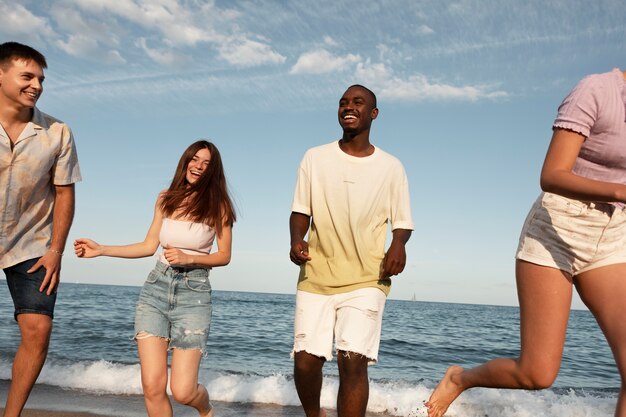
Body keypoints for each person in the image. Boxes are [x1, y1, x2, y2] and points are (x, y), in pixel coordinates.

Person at [426, 68, 626, 417]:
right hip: (555, 231)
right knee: (537, 373)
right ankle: (460, 378)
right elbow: (552, 175)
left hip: (611, 235)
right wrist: (621, 191)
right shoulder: (596, 90)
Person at [74, 140, 235, 417]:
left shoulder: (218, 206)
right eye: (195, 159)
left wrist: (190, 258)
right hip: (155, 291)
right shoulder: (165, 198)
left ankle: (206, 409)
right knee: (152, 386)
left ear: (213, 171)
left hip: (193, 294)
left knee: (183, 391)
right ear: (185, 161)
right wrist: (101, 250)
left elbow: (224, 256)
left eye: (206, 163)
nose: (198, 166)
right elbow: (149, 246)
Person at [289, 84, 414, 417]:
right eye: (344, 102)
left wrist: (398, 243)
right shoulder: (315, 157)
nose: (349, 106)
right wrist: (296, 239)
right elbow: (301, 210)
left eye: (358, 102)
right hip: (317, 273)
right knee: (305, 362)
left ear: (373, 113)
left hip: (368, 278)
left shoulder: (391, 167)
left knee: (353, 361)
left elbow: (402, 221)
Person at [0, 41, 81, 417]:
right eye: (27, 76)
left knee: (37, 330)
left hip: (32, 243)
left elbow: (64, 194)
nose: (36, 85)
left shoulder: (57, 132)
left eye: (41, 79)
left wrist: (56, 250)